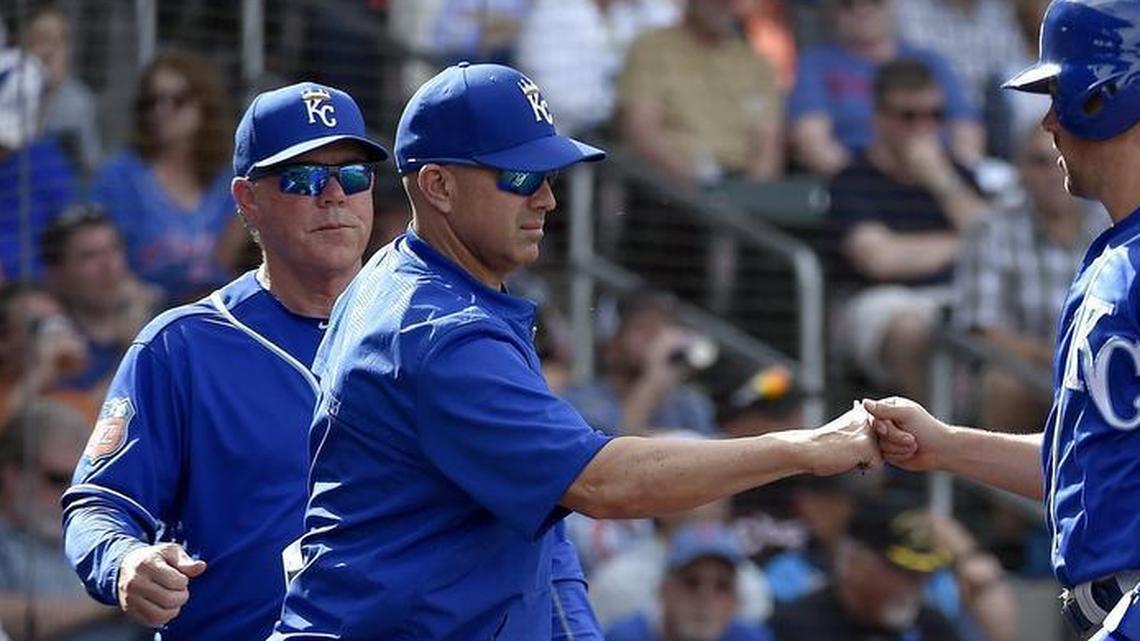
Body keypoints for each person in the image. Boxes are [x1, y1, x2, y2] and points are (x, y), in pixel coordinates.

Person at [268, 62, 882, 641]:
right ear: (439, 186)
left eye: (548, 177)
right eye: (518, 178)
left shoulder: (421, 279)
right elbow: (606, 485)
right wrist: (804, 448)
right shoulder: (439, 330)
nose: (546, 199)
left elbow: (545, 514)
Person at [61, 81, 389, 641]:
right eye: (304, 178)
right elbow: (99, 503)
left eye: (353, 176)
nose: (334, 195)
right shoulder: (182, 346)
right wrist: (125, 560)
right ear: (248, 200)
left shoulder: (422, 330)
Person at [864, 2, 1140, 639]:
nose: (1048, 122)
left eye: (1059, 96)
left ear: (1108, 96)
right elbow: (1084, 461)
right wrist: (945, 445)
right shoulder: (1110, 254)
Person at [829, 58, 988, 400]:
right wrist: (961, 244)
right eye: (908, 116)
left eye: (934, 115)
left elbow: (993, 242)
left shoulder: (956, 174)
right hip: (880, 300)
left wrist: (940, 181)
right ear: (879, 118)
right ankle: (934, 430)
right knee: (912, 331)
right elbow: (880, 259)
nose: (923, 127)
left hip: (958, 295)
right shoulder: (853, 179)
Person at [953, 126, 1105, 431]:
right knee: (1003, 385)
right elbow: (982, 331)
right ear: (1019, 168)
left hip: (1102, 365)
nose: (1054, 171)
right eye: (1039, 162)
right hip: (1028, 371)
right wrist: (1059, 359)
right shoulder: (991, 229)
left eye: (1062, 157)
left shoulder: (1109, 223)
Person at [89, 51, 236, 304]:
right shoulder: (119, 177)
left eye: (177, 100)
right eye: (151, 101)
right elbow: (98, 254)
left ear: (204, 106)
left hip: (217, 309)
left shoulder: (229, 180)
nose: (161, 110)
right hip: (141, 310)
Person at [0, 399, 142, 641]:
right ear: (12, 474)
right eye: (57, 479)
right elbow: (6, 620)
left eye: (81, 482)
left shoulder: (106, 528)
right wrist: (114, 597)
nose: (70, 495)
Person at [788, 0, 981, 176]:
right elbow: (813, 142)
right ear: (833, 10)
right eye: (848, 3)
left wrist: (953, 177)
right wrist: (868, 182)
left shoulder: (930, 61)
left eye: (875, 2)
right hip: (857, 180)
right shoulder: (815, 63)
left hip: (935, 173)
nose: (862, 9)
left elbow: (966, 131)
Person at [769, 495, 961, 641]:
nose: (916, 585)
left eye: (923, 574)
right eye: (903, 571)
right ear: (855, 562)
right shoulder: (793, 628)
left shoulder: (932, 627)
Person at [39, 205, 162, 422]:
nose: (109, 267)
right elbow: (81, 425)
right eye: (90, 256)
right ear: (57, 272)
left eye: (114, 250)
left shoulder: (162, 317)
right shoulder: (55, 343)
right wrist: (135, 347)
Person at [561, 289, 719, 436]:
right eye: (644, 329)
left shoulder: (689, 404)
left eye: (667, 327)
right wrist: (652, 382)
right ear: (612, 342)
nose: (660, 339)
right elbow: (616, 447)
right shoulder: (581, 402)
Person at [605, 523, 774, 641]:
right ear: (664, 591)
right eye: (692, 583)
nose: (705, 597)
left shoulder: (750, 638)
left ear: (735, 601)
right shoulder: (625, 637)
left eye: (721, 586)